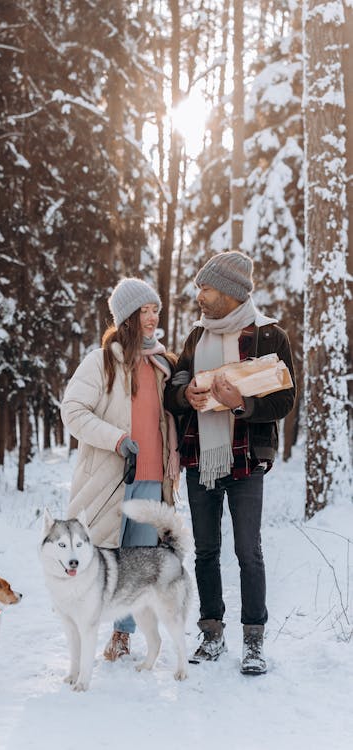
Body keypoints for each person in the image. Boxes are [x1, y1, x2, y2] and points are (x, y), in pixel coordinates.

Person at [165, 250, 295, 675]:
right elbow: (176, 383)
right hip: (200, 456)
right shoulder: (195, 337)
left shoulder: (270, 336)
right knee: (206, 551)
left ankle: (254, 641)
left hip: (246, 460)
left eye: (206, 288)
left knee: (248, 552)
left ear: (231, 293)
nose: (199, 295)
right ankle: (212, 633)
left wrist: (243, 404)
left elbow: (285, 399)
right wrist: (187, 394)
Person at [60, 277, 179, 661]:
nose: (151, 318)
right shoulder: (101, 362)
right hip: (109, 479)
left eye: (155, 310)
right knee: (100, 558)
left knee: (139, 563)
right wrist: (115, 438)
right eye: (143, 311)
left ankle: (123, 636)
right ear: (126, 317)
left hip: (150, 477)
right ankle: (84, 639)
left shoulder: (163, 364)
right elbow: (73, 411)